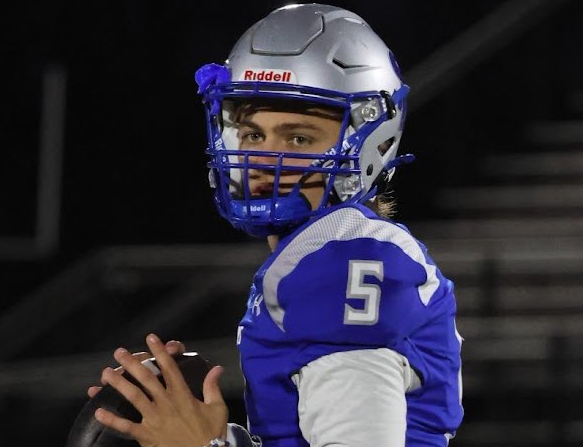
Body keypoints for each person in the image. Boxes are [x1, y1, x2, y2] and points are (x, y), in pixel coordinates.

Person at [91, 4, 464, 447]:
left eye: (298, 138)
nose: (263, 160)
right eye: (252, 134)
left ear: (370, 143)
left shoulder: (342, 263)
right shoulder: (328, 250)